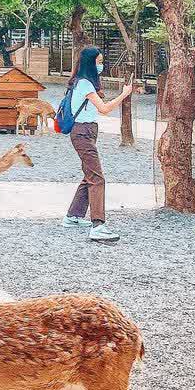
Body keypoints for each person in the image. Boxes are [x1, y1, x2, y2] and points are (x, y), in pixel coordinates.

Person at [62, 45, 135, 244]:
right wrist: (124, 94)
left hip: (85, 132)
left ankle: (73, 216)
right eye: (99, 62)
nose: (101, 65)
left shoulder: (80, 81)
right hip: (83, 132)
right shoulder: (85, 84)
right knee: (97, 178)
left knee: (90, 175)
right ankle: (98, 226)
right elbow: (104, 109)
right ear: (90, 63)